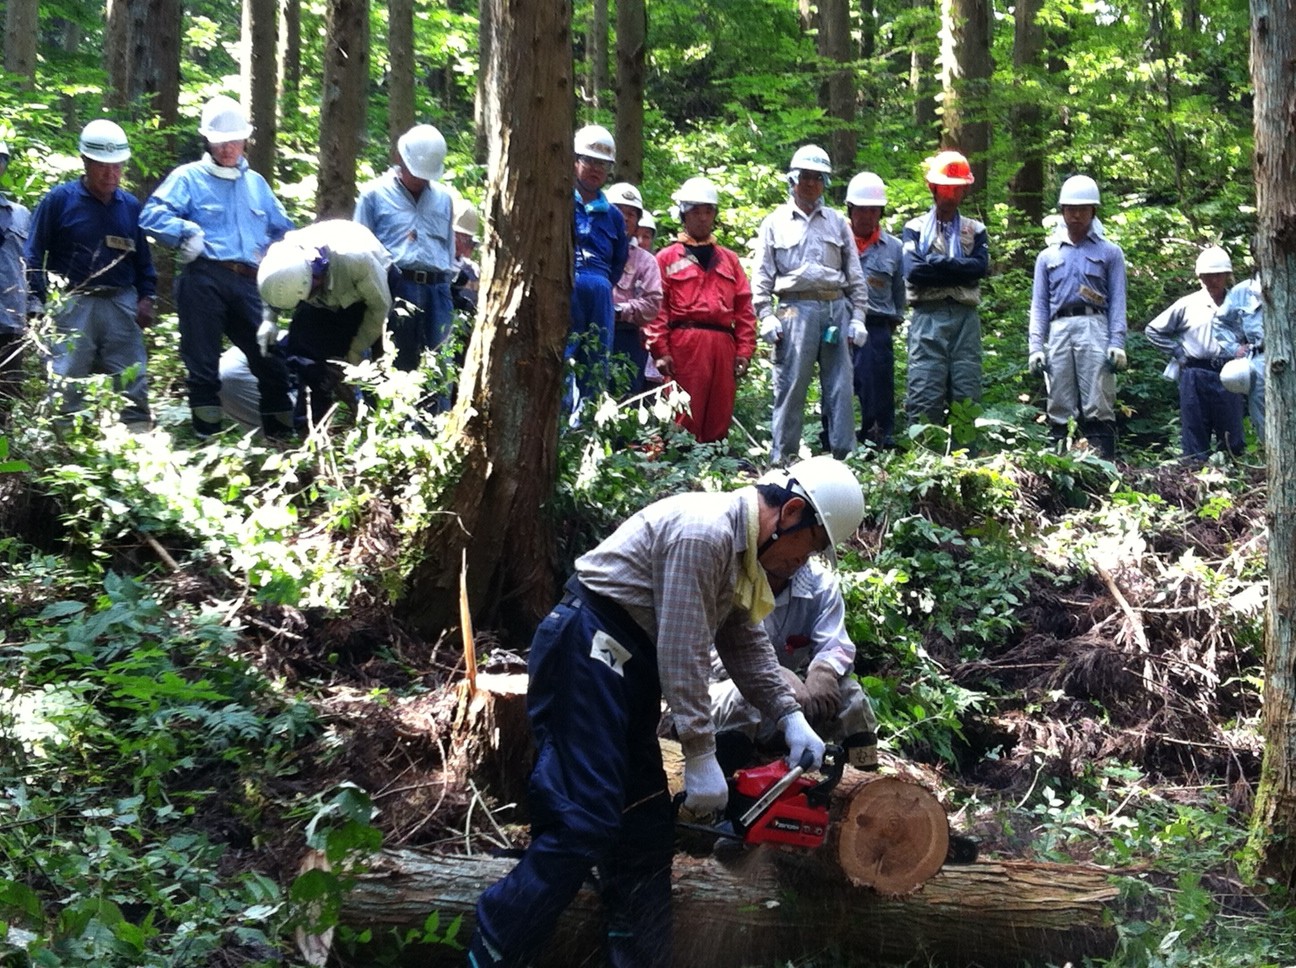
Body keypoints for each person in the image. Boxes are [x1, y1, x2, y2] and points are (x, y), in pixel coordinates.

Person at [468, 456, 865, 968]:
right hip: (589, 645)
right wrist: (699, 753)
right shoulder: (706, 534)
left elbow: (742, 640)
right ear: (789, 513)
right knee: (584, 817)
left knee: (645, 825)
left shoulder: (741, 554)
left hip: (625, 662)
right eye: (805, 550)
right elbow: (683, 647)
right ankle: (495, 945)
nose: (800, 565)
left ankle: (637, 956)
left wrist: (789, 716)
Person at [140, 95, 295, 438]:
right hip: (204, 277)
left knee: (272, 361)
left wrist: (285, 257)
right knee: (203, 366)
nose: (228, 148)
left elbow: (283, 229)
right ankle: (206, 445)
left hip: (249, 282)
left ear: (245, 140)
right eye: (221, 141)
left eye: (234, 141)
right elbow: (151, 215)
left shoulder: (256, 184)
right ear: (208, 140)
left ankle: (283, 445)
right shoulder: (188, 177)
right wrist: (184, 231)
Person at [25, 120, 156, 429]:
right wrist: (44, 301)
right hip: (72, 303)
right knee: (66, 374)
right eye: (103, 166)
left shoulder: (131, 207)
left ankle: (136, 438)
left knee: (132, 374)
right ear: (85, 162)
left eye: (117, 167)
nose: (111, 174)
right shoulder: (58, 201)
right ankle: (64, 443)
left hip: (121, 301)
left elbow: (143, 261)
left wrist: (146, 296)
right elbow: (33, 254)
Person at [753, 144, 869, 463]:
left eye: (818, 178)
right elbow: (762, 274)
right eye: (805, 177)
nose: (811, 184)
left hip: (836, 308)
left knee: (841, 388)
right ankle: (783, 460)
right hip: (793, 310)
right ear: (793, 179)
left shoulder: (837, 222)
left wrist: (858, 316)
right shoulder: (774, 223)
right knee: (791, 386)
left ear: (825, 183)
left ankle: (846, 459)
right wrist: (764, 314)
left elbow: (855, 274)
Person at [709, 556, 878, 773]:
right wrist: (777, 676)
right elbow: (719, 654)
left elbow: (836, 644)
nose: (798, 555)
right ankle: (730, 780)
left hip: (789, 711)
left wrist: (823, 671)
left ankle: (864, 780)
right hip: (718, 701)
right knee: (741, 697)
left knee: (850, 695)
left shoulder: (820, 584)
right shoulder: (731, 576)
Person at [644, 176, 756, 443]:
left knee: (720, 408)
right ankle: (679, 463)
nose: (703, 218)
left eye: (708, 211)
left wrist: (744, 350)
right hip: (685, 342)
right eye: (696, 211)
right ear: (684, 214)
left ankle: (715, 464)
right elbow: (657, 308)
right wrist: (660, 349)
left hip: (722, 343)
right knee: (683, 410)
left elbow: (744, 308)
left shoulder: (729, 260)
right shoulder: (667, 258)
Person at [255, 219, 394, 427]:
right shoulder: (283, 258)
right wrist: (269, 319)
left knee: (379, 361)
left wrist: (355, 352)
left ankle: (378, 423)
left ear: (315, 278)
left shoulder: (357, 260)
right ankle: (311, 428)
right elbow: (272, 286)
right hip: (328, 299)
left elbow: (379, 310)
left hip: (374, 291)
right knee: (306, 359)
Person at [1027, 175, 1128, 459]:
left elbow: (1118, 300)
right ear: (1062, 211)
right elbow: (1039, 306)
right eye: (1071, 208)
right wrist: (1035, 347)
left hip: (1095, 326)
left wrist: (1117, 341)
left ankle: (1101, 466)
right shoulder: (1047, 256)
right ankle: (1059, 468)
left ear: (1093, 211)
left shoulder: (1110, 253)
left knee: (1099, 398)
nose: (1077, 214)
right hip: (1059, 329)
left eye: (1083, 208)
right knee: (1059, 400)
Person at [354, 124, 456, 376]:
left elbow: (449, 250)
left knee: (440, 367)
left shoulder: (444, 199)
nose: (420, 179)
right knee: (394, 366)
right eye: (415, 172)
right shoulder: (373, 195)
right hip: (394, 288)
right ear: (401, 159)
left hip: (438, 292)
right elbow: (359, 251)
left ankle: (440, 416)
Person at [902, 150, 990, 428]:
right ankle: (925, 459)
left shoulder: (975, 229)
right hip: (928, 315)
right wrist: (959, 270)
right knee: (925, 389)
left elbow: (979, 269)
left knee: (967, 390)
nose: (950, 195)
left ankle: (966, 462)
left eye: (957, 188)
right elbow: (914, 272)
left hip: (966, 318)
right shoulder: (914, 228)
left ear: (965, 190)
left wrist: (938, 263)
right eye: (945, 188)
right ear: (933, 187)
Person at [1141, 246, 1244, 458]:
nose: (1212, 280)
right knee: (1195, 434)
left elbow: (1255, 332)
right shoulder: (1187, 304)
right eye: (1207, 276)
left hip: (1231, 373)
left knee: (1232, 435)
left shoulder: (1240, 303)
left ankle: (1235, 477)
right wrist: (1177, 351)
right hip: (1195, 372)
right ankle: (1195, 480)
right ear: (1200, 277)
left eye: (1217, 275)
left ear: (1226, 275)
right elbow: (1153, 330)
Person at [567, 124, 629, 420]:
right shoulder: (559, 200)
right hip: (566, 287)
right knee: (563, 359)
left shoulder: (614, 216)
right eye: (590, 161)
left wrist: (601, 284)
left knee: (596, 365)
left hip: (601, 291)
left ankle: (586, 434)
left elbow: (619, 261)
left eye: (603, 164)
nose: (595, 170)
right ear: (575, 161)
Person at [845, 172, 906, 449]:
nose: (868, 216)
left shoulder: (894, 248)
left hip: (878, 326)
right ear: (850, 209)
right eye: (862, 209)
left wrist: (887, 325)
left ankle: (879, 441)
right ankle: (836, 442)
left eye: (874, 210)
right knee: (838, 387)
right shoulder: (837, 242)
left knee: (878, 388)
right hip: (841, 324)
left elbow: (898, 293)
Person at [606, 182, 663, 394]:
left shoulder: (646, 262)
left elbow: (651, 304)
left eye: (631, 213)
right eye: (619, 211)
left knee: (624, 400)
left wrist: (618, 310)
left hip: (626, 338)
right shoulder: (586, 249)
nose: (625, 217)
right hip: (587, 332)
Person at [0, 137, 34, 407]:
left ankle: (8, 448)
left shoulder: (20, 215)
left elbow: (30, 263)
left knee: (10, 395)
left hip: (11, 320)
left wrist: (35, 305)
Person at [1214, 273, 1265, 445]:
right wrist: (1235, 348)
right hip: (1261, 358)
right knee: (1262, 415)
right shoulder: (1243, 291)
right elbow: (1221, 322)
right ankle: (1278, 463)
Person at [450, 198, 481, 317]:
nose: (465, 246)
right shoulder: (433, 266)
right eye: (461, 238)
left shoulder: (471, 271)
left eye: (468, 241)